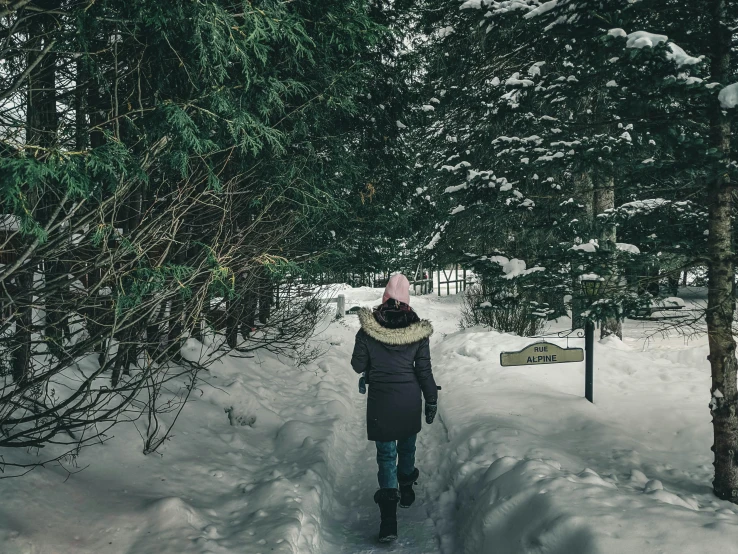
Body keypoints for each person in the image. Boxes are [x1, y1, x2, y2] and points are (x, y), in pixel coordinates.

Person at [350, 274, 439, 543]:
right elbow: (424, 371)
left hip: (381, 399)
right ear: (408, 301)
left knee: (386, 455)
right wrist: (431, 399)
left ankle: (388, 520)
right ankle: (407, 489)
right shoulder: (418, 331)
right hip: (409, 398)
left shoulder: (368, 328)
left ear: (385, 297)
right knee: (407, 446)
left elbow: (357, 364)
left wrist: (370, 366)